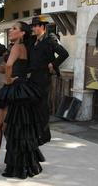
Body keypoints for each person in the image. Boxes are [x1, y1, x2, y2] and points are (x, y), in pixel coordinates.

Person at [0, 21, 45, 179]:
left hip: (16, 90)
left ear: (22, 33)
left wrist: (8, 81)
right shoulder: (17, 47)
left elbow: (8, 67)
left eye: (14, 29)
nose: (10, 30)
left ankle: (17, 163)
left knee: (10, 129)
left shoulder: (17, 47)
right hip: (16, 89)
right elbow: (4, 68)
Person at [29, 16, 69, 145]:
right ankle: (37, 132)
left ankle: (45, 135)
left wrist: (53, 64)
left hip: (43, 77)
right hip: (33, 76)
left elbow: (64, 53)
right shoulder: (33, 41)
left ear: (43, 27)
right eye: (33, 26)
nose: (34, 28)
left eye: (36, 26)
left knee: (42, 107)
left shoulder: (50, 39)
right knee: (34, 106)